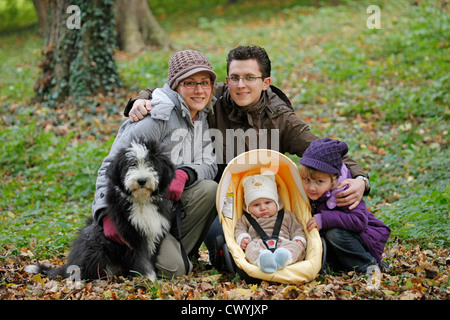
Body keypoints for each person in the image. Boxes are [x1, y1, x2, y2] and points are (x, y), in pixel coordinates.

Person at [124, 45, 370, 266]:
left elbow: (323, 150)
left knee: (281, 243)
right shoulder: (212, 97)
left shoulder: (280, 118)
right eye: (235, 77)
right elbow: (172, 90)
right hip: (221, 203)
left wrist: (360, 179)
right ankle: (196, 254)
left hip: (267, 204)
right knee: (222, 242)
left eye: (250, 78)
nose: (240, 85)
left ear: (265, 82)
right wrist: (142, 100)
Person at [92, 50, 218, 278]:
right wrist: (105, 213)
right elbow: (110, 164)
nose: (199, 90)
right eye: (190, 83)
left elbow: (209, 162)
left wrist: (185, 173)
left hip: (166, 210)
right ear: (176, 85)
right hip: (137, 211)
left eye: (204, 83)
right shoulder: (156, 116)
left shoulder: (202, 114)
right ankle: (149, 259)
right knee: (175, 270)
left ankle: (175, 254)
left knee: (210, 189)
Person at [299, 138, 390, 273]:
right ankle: (336, 266)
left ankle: (369, 267)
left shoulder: (345, 192)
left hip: (360, 240)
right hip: (336, 246)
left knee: (334, 234)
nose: (311, 187)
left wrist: (324, 219)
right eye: (307, 180)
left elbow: (359, 221)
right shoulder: (308, 192)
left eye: (319, 181)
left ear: (333, 179)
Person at [235, 173, 307, 273]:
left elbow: (296, 229)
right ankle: (262, 260)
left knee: (296, 247)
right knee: (250, 248)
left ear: (276, 202)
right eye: (256, 205)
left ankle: (285, 257)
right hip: (258, 244)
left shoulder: (286, 215)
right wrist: (243, 238)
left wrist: (298, 239)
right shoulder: (246, 218)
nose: (263, 208)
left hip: (284, 242)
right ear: (248, 208)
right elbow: (239, 228)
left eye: (268, 203)